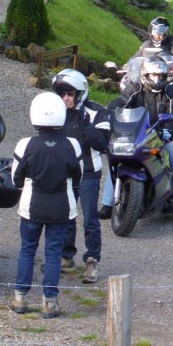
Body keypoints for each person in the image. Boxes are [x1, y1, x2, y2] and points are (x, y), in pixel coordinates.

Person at [100, 56, 173, 224]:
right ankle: (107, 204)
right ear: (145, 74)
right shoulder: (135, 88)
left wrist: (167, 130)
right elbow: (119, 103)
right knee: (119, 161)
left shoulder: (170, 92)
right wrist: (109, 116)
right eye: (153, 75)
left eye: (160, 76)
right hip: (138, 133)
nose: (157, 79)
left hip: (165, 135)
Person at [10, 91, 82, 319]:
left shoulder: (25, 145)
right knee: (53, 253)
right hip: (62, 207)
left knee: (28, 250)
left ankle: (20, 298)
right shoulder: (73, 145)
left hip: (32, 205)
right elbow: (77, 177)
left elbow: (15, 179)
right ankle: (49, 302)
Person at [54, 69, 110, 285]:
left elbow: (102, 144)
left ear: (80, 93)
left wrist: (85, 124)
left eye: (69, 93)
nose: (65, 98)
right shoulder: (56, 111)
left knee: (90, 218)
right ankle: (66, 257)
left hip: (88, 173)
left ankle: (92, 260)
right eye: (61, 93)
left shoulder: (97, 112)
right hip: (64, 172)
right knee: (66, 215)